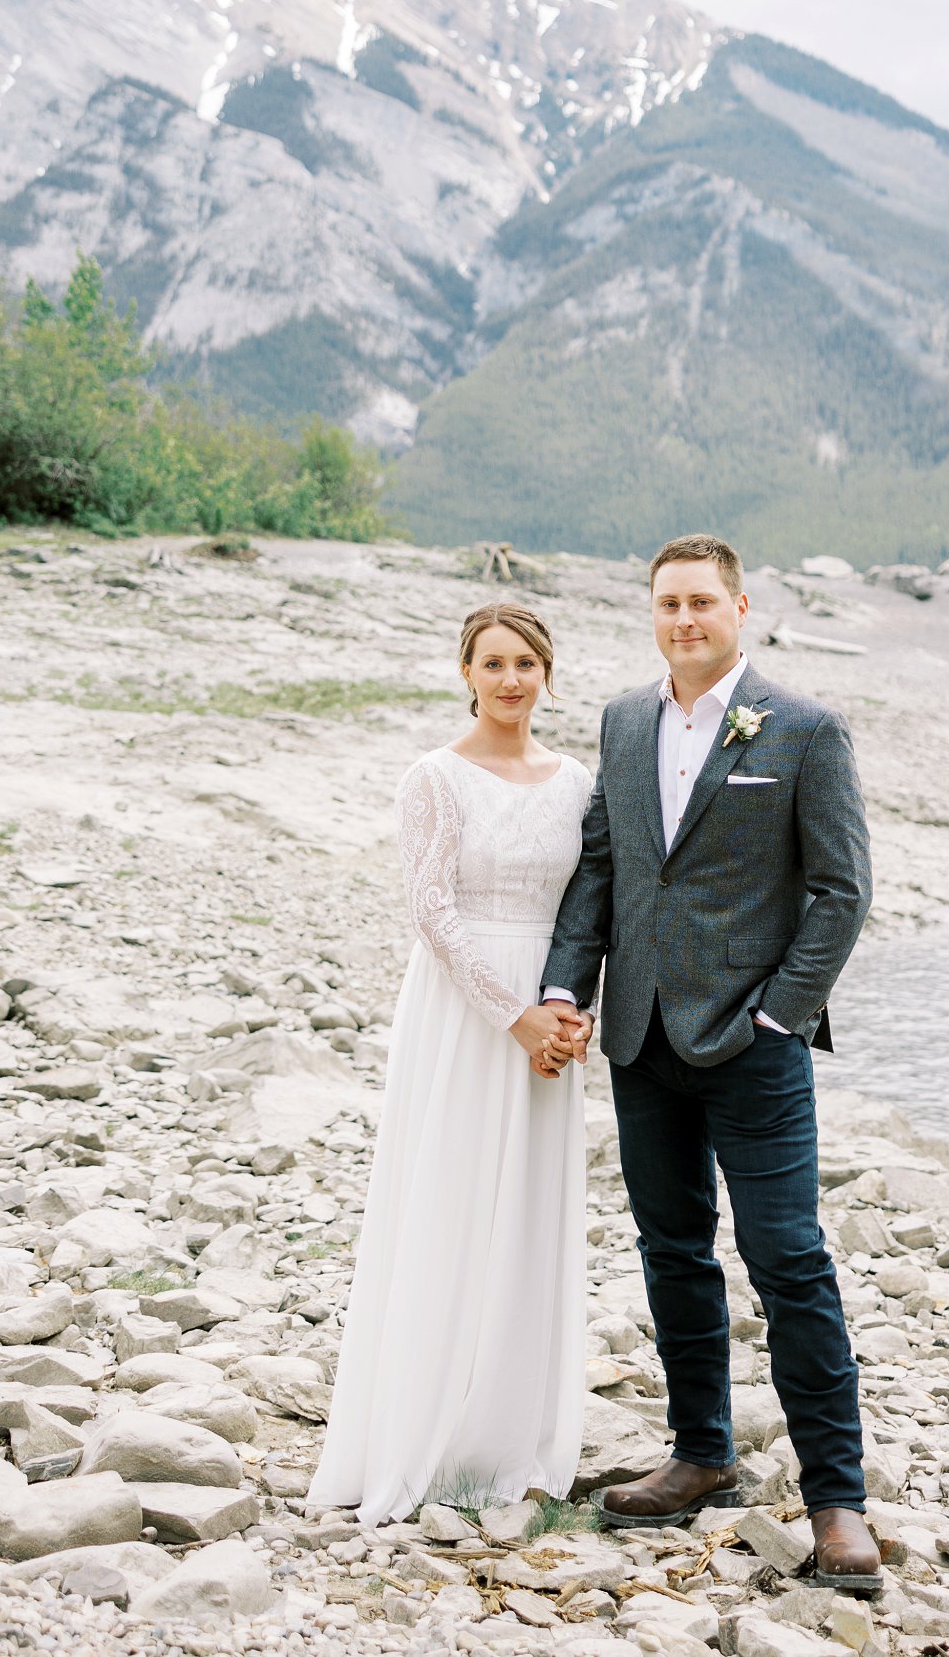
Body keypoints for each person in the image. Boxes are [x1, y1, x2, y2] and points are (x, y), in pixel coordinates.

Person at [542, 534, 880, 1593]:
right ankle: (700, 1454)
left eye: (700, 602)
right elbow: (603, 863)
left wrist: (782, 1017)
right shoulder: (621, 720)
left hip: (753, 1045)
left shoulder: (805, 729)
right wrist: (567, 986)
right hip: (641, 1034)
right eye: (666, 604)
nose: (682, 619)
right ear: (652, 614)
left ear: (740, 608)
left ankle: (837, 1504)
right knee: (670, 1247)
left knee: (786, 1258)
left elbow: (839, 890)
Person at [309, 602, 592, 1524]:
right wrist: (509, 1014)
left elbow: (592, 906)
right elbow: (430, 911)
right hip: (464, 1011)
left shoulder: (577, 781)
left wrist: (566, 1009)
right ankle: (419, 1435)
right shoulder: (434, 777)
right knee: (451, 1201)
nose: (511, 680)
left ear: (548, 673)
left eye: (526, 664)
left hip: (552, 1009)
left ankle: (511, 1436)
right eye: (494, 663)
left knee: (529, 1217)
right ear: (466, 672)